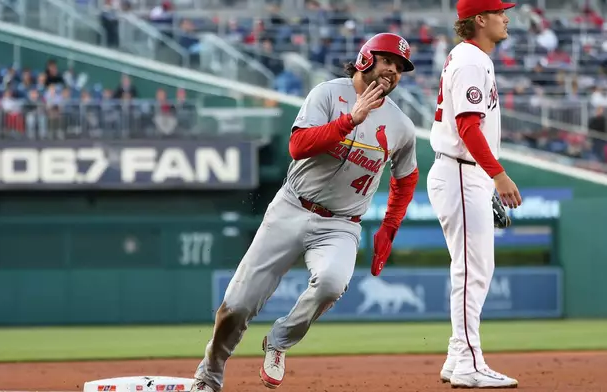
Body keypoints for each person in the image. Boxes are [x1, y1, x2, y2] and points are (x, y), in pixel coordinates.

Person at [190, 33, 420, 392]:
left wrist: (389, 227)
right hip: (292, 208)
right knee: (236, 306)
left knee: (331, 283)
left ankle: (279, 341)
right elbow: (298, 146)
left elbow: (406, 179)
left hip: (341, 225)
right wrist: (350, 119)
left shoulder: (401, 126)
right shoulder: (329, 94)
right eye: (388, 60)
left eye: (401, 66)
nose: (393, 70)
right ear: (366, 59)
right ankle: (209, 374)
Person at [426, 0, 523, 388]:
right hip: (461, 172)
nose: (507, 17)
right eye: (500, 12)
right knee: (472, 272)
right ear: (479, 20)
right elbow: (468, 127)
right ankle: (468, 362)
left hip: (465, 174)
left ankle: (456, 357)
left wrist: (487, 180)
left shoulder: (471, 57)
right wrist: (497, 175)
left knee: (474, 270)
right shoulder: (469, 60)